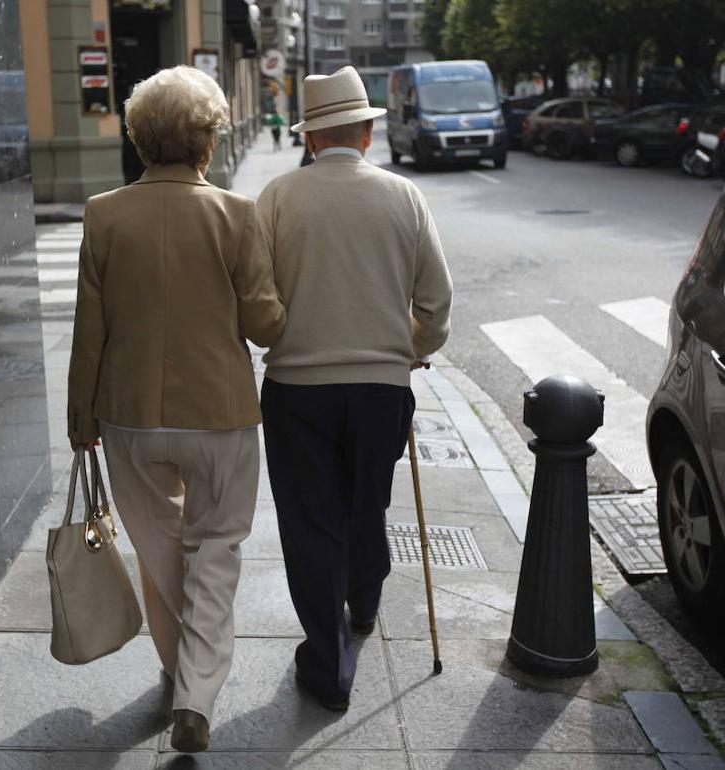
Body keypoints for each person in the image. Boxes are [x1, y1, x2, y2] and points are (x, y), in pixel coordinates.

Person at [67, 65, 286, 753]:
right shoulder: (236, 215)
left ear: (138, 139)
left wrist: (81, 418)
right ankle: (196, 691)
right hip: (219, 411)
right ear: (208, 141)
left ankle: (176, 666)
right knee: (216, 547)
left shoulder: (104, 215)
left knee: (161, 547)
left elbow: (89, 328)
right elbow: (265, 326)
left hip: (128, 414)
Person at [256, 66, 453, 712]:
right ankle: (364, 600)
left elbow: (256, 300)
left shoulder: (277, 198)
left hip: (298, 387)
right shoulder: (405, 197)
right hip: (380, 387)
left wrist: (286, 335)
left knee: (311, 522)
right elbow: (437, 302)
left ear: (310, 138)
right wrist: (410, 349)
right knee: (367, 501)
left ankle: (328, 662)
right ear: (368, 132)